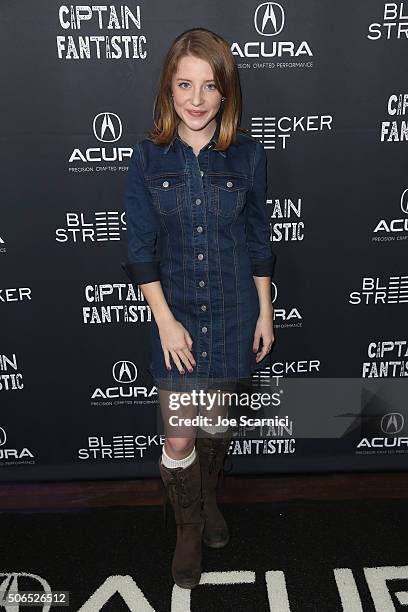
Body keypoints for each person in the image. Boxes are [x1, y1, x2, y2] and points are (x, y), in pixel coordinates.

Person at [121, 27, 276, 589]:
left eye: (208, 86)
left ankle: (208, 501)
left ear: (225, 94)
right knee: (180, 436)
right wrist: (164, 321)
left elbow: (258, 242)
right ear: (168, 88)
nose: (195, 98)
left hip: (235, 309)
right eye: (184, 84)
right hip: (178, 315)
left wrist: (264, 311)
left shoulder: (249, 157)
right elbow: (140, 251)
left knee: (214, 427)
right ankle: (188, 527)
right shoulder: (145, 159)